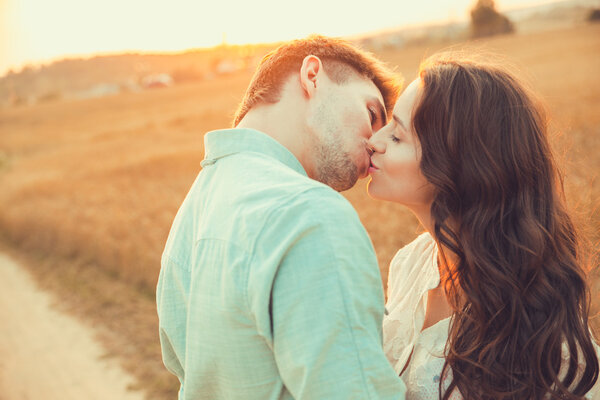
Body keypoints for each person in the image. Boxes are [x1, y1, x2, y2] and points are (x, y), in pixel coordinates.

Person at [156, 35, 406, 399]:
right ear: (312, 76)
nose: (374, 143)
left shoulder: (190, 217)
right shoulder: (308, 212)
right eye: (371, 114)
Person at [367, 53, 600, 399]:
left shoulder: (550, 345)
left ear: (459, 167)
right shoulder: (411, 262)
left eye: (397, 137)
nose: (374, 141)